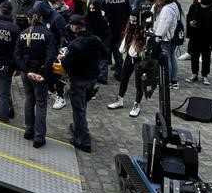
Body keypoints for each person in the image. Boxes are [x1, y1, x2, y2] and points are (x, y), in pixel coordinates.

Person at [61, 14, 104, 152]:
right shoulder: (95, 40)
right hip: (92, 78)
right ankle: (79, 128)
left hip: (78, 79)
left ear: (75, 27)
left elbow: (66, 64)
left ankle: (83, 140)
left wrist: (63, 57)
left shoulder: (75, 45)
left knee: (78, 110)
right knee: (83, 106)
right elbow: (105, 54)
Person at [14, 8, 57, 148]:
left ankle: (29, 130)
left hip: (26, 73)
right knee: (41, 103)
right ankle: (39, 137)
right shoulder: (47, 34)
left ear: (28, 18)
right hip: (40, 74)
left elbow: (17, 55)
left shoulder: (23, 34)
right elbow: (51, 56)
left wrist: (26, 71)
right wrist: (42, 72)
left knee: (29, 99)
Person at [107, 11, 147, 117]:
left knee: (139, 83)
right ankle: (120, 99)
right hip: (130, 56)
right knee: (124, 77)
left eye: (134, 19)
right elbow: (125, 40)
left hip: (140, 58)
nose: (132, 21)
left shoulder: (144, 30)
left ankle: (137, 104)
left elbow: (144, 46)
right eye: (131, 19)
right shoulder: (130, 27)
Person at [93, 0, 130, 82]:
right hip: (119, 29)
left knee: (104, 52)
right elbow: (128, 13)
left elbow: (94, 16)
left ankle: (103, 75)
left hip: (105, 30)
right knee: (118, 52)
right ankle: (120, 73)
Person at [185, 0, 212, 85]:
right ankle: (194, 73)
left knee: (206, 58)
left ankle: (205, 75)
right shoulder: (194, 7)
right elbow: (189, 18)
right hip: (195, 36)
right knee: (194, 56)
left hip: (207, 38)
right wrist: (191, 23)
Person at [152, 0, 182, 88]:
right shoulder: (175, 5)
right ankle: (174, 79)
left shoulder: (166, 9)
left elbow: (164, 25)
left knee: (166, 59)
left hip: (166, 38)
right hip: (173, 37)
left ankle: (167, 80)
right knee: (172, 58)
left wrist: (157, 35)